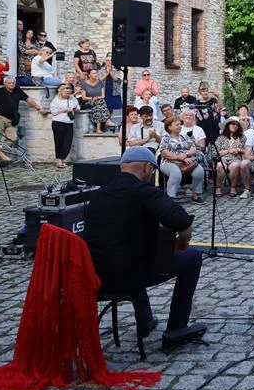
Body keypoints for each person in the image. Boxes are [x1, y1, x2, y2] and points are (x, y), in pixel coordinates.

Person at [83, 147, 207, 351]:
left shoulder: (100, 194)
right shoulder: (144, 192)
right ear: (147, 168)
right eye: (152, 171)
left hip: (95, 274)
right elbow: (182, 222)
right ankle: (176, 329)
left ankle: (146, 319)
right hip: (130, 275)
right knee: (192, 257)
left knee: (129, 252)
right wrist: (183, 243)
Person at [0, 75, 47, 141]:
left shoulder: (18, 90)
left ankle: (2, 150)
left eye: (13, 83)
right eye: (9, 83)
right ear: (5, 83)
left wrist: (39, 108)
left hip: (12, 120)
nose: (12, 84)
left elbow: (29, 100)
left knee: (12, 138)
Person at [158, 116, 204, 203]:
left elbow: (193, 148)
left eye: (180, 124)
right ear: (169, 127)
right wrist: (179, 157)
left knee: (199, 171)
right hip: (168, 162)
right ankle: (170, 198)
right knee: (176, 173)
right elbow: (164, 152)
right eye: (176, 125)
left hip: (186, 161)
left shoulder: (185, 137)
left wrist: (186, 155)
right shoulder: (166, 138)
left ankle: (195, 196)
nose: (179, 126)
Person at [212, 118, 251, 197]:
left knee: (235, 166)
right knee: (220, 166)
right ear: (228, 125)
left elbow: (246, 150)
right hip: (222, 158)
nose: (235, 126)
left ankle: (233, 187)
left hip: (236, 158)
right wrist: (228, 151)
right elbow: (214, 152)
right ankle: (218, 187)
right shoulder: (221, 138)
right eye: (232, 124)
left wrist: (238, 150)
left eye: (237, 125)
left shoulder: (242, 138)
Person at [49, 84, 80, 168]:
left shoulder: (72, 99)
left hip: (69, 123)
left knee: (67, 142)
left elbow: (78, 107)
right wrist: (64, 110)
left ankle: (63, 159)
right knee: (59, 141)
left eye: (69, 93)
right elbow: (53, 112)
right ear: (61, 92)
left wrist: (74, 109)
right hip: (58, 123)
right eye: (66, 93)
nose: (68, 95)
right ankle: (59, 160)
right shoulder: (56, 100)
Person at [81, 69, 111, 134]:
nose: (95, 75)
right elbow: (83, 97)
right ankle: (107, 119)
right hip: (89, 101)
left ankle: (98, 128)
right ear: (89, 75)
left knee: (98, 106)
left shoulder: (100, 83)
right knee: (100, 103)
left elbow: (103, 96)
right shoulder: (84, 84)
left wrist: (98, 98)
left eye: (96, 73)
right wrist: (93, 98)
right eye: (93, 73)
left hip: (99, 101)